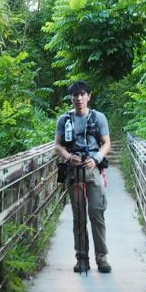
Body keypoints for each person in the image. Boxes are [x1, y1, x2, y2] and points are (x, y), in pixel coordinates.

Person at [54, 80, 112, 273]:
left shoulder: (98, 118)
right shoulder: (64, 120)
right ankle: (82, 258)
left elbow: (106, 143)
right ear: (71, 98)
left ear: (89, 96)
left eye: (82, 94)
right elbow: (58, 145)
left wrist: (96, 159)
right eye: (75, 95)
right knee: (78, 217)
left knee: (97, 213)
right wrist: (69, 157)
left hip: (93, 169)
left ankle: (101, 258)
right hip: (73, 171)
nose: (78, 98)